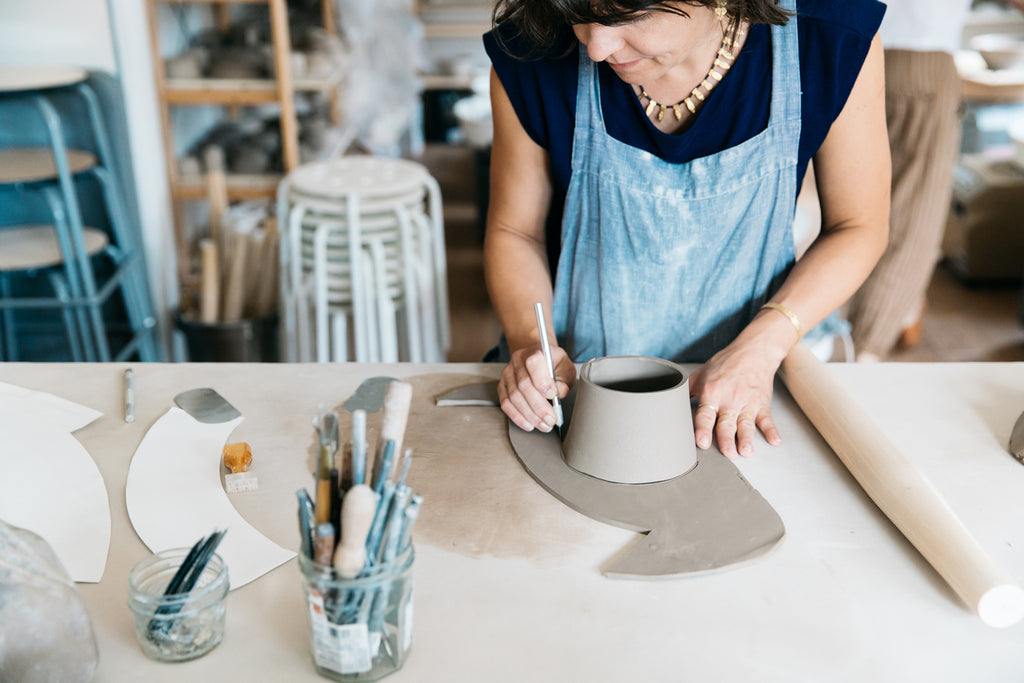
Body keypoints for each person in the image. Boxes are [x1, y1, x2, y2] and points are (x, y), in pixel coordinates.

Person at [483, 0, 890, 458]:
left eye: (626, 19)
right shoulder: (535, 47)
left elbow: (858, 227)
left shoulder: (827, 35)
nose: (595, 47)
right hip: (578, 380)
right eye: (580, 15)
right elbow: (516, 232)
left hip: (748, 382)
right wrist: (530, 345)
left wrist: (760, 348)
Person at [846, 0, 1024, 362]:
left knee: (854, 213)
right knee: (911, 224)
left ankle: (841, 339)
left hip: (852, 50)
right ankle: (863, 356)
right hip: (923, 61)